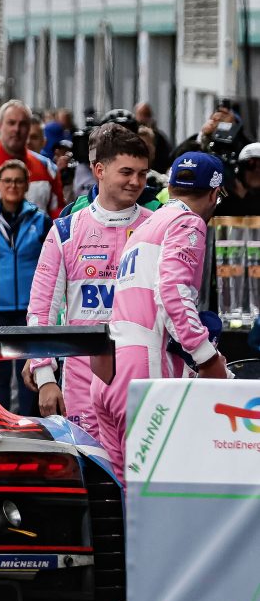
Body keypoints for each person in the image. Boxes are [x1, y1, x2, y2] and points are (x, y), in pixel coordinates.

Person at [99, 152, 231, 476]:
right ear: (215, 194)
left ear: (170, 187)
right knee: (155, 492)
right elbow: (172, 293)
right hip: (143, 369)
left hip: (107, 368)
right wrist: (208, 359)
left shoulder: (147, 224)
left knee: (124, 498)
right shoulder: (188, 222)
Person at [25, 123, 152, 442]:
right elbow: (42, 309)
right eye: (126, 171)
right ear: (99, 170)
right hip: (81, 378)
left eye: (142, 173)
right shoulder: (66, 230)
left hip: (142, 376)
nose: (136, 181)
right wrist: (45, 377)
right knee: (88, 472)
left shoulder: (158, 228)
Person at [0, 159, 52, 412]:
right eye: (7, 181)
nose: (12, 186)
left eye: (18, 181)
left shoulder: (41, 220)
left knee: (28, 372)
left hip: (29, 308)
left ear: (27, 185)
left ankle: (29, 422)